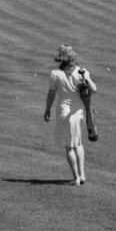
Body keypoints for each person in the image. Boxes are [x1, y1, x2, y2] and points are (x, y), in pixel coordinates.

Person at [43, 45, 90, 185]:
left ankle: (75, 177)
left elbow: (51, 94)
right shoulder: (82, 72)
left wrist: (47, 110)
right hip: (79, 111)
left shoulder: (55, 74)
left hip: (64, 111)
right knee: (79, 143)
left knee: (69, 146)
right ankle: (82, 174)